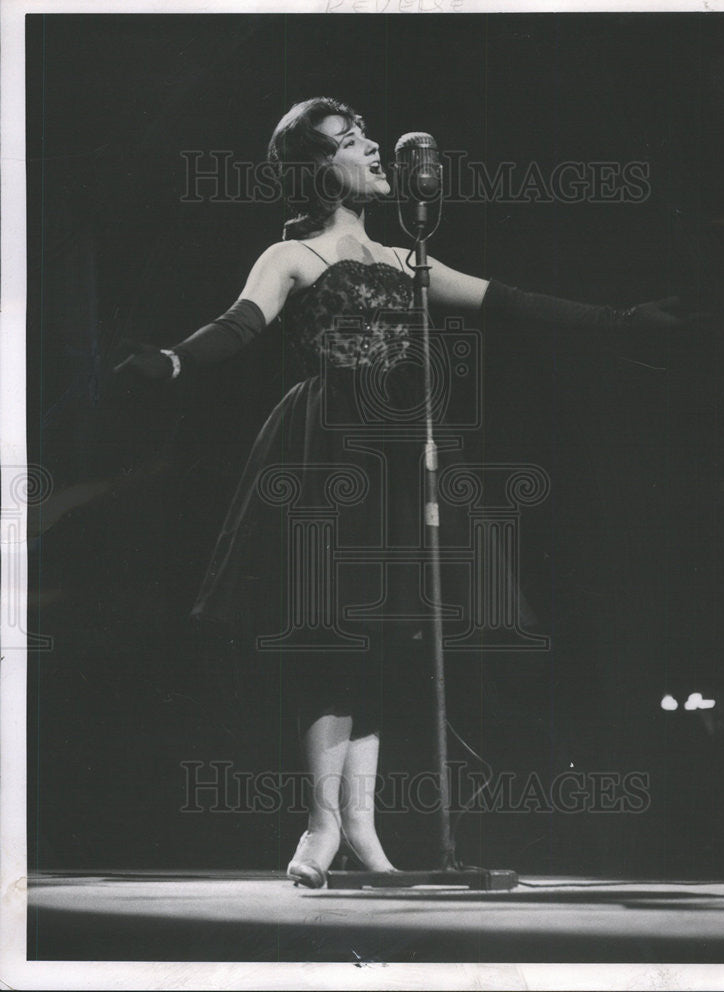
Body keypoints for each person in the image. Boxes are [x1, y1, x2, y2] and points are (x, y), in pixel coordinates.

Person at [115, 96, 684, 888]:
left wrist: (624, 320)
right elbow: (242, 321)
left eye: (369, 135)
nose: (375, 148)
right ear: (319, 170)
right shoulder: (296, 257)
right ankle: (318, 828)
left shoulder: (406, 262)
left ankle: (364, 833)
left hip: (399, 447)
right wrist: (173, 361)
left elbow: (511, 301)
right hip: (331, 447)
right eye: (352, 142)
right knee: (336, 631)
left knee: (384, 639)